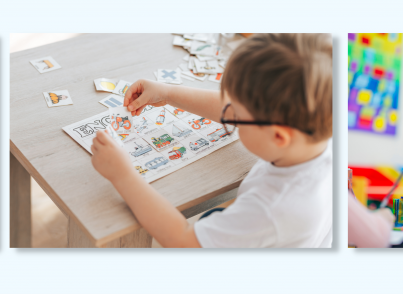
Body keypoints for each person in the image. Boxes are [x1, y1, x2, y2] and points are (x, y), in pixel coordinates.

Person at [90, 33, 333, 248]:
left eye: (234, 117)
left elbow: (183, 242)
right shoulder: (316, 131)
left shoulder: (271, 211)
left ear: (279, 136)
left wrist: (122, 175)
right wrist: (168, 93)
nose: (229, 116)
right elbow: (244, 110)